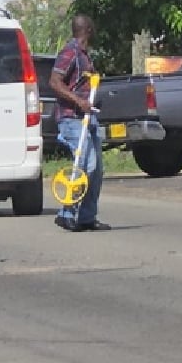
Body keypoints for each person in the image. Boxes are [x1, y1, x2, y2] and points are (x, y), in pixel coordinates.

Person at [49, 15, 110, 232]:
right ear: (89, 30)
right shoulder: (70, 52)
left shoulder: (85, 56)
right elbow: (54, 82)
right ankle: (66, 213)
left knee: (97, 169)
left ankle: (87, 216)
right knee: (85, 165)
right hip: (72, 118)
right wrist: (78, 101)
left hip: (88, 117)